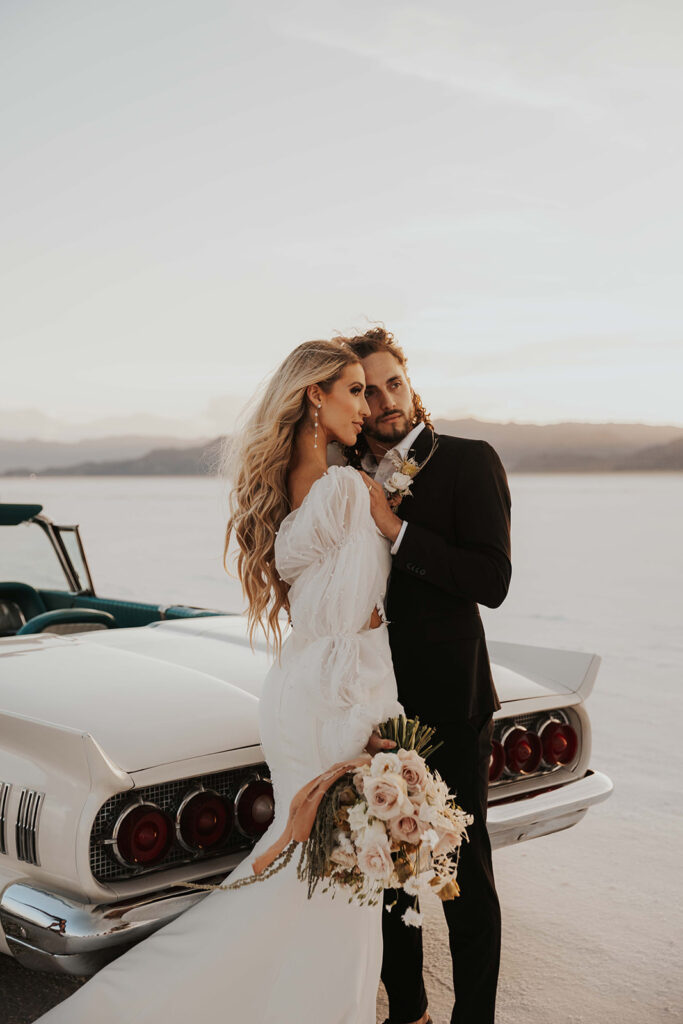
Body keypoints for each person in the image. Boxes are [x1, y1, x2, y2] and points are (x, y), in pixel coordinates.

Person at [32, 339, 406, 1024]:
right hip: (338, 697)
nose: (368, 404)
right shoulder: (348, 489)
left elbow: (325, 609)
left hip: (302, 691)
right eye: (354, 390)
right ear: (313, 397)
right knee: (344, 879)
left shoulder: (296, 493)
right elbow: (367, 616)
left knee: (315, 872)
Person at [336, 326, 512, 1024]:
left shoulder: (469, 462)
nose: (383, 401)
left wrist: (396, 530)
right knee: (386, 879)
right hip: (371, 709)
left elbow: (491, 580)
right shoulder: (338, 479)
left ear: (411, 384)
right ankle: (407, 1012)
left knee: (463, 878)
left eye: (392, 383)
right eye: (366, 389)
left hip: (450, 701)